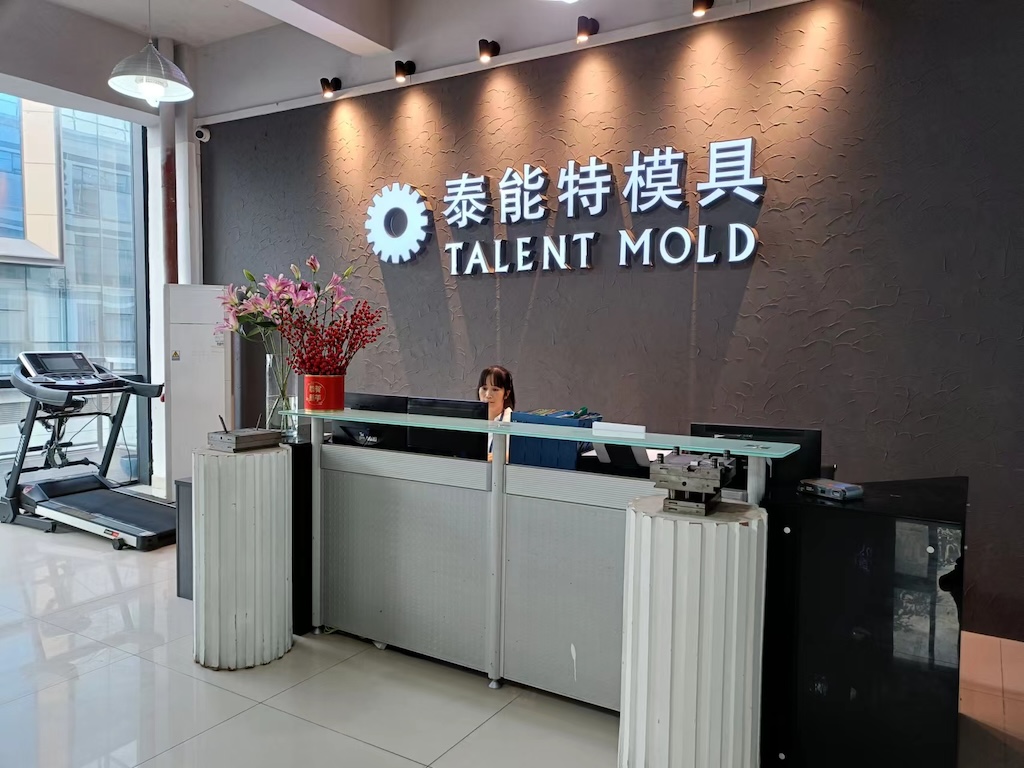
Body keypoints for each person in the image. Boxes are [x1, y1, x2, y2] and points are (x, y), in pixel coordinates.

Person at [478, 365, 515, 459]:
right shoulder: (470, 420)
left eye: (495, 389)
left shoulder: (512, 422)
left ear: (506, 394)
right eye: (484, 388)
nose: (488, 395)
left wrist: (505, 457)